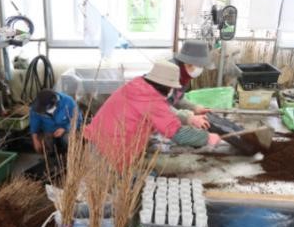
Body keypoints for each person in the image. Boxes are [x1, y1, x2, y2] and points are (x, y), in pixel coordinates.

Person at [84, 60, 221, 168]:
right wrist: (207, 137)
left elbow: (162, 113)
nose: (171, 91)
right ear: (166, 85)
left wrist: (188, 117)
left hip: (98, 143)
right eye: (171, 87)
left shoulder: (138, 85)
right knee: (106, 197)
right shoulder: (150, 98)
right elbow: (177, 133)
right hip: (108, 152)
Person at [170, 40, 217, 130]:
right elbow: (158, 106)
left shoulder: (184, 74)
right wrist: (188, 117)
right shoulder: (169, 72)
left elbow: (177, 98)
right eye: (200, 66)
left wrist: (193, 107)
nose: (201, 69)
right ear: (189, 63)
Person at [29, 89, 83, 155]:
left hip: (66, 130)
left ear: (54, 103)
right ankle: (49, 157)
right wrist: (35, 139)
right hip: (48, 131)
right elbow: (34, 124)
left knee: (68, 139)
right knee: (42, 144)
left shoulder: (68, 101)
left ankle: (69, 155)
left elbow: (78, 119)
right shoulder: (36, 106)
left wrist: (65, 128)